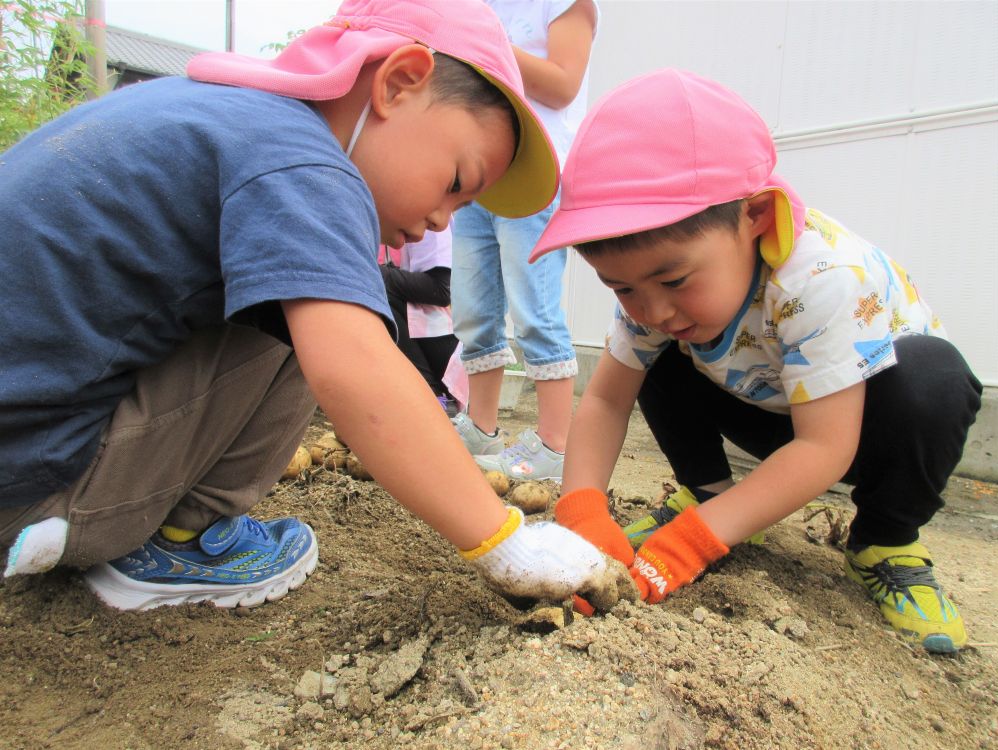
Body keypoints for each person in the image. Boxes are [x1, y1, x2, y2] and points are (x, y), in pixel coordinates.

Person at [0, 0, 621, 613]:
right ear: (400, 82)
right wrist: (506, 543)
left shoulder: (223, 113)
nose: (442, 219)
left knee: (310, 291)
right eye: (457, 183)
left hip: (30, 455)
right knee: (330, 305)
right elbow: (354, 367)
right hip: (41, 487)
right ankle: (176, 539)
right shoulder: (301, 157)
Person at [533, 69, 983, 653]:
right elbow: (605, 398)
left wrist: (690, 546)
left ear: (757, 219)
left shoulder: (821, 277)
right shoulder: (656, 301)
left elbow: (824, 447)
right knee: (651, 353)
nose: (654, 306)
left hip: (866, 427)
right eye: (622, 288)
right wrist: (583, 511)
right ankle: (712, 494)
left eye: (673, 278)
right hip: (765, 405)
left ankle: (885, 541)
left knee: (936, 379)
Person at [450, 0, 599, 481]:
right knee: (473, 309)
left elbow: (562, 85)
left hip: (534, 171)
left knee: (534, 308)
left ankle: (555, 447)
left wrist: (483, 46)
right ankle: (480, 427)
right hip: (477, 169)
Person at [379, 226, 466, 417]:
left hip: (441, 340)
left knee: (378, 293)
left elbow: (442, 290)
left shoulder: (429, 223)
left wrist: (372, 272)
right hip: (419, 333)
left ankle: (438, 402)